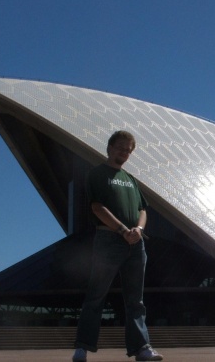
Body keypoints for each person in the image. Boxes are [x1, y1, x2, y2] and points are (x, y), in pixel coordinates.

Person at [72, 131, 163, 362]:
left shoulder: (131, 179)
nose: (124, 152)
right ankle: (82, 348)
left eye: (128, 150)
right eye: (121, 147)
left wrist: (138, 231)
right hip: (109, 240)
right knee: (96, 295)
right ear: (110, 147)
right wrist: (123, 230)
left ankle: (142, 348)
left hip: (135, 243)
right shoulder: (98, 174)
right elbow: (97, 207)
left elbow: (143, 210)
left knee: (136, 300)